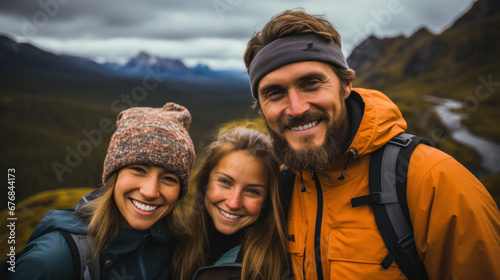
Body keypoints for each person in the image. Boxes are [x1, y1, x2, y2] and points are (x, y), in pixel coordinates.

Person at [243, 9, 500, 280]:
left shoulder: (436, 181)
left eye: (311, 83)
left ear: (345, 86)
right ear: (260, 107)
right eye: (275, 93)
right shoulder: (281, 186)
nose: (296, 109)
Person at [8, 102, 195, 279]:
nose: (150, 192)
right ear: (113, 175)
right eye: (139, 170)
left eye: (169, 178)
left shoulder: (174, 245)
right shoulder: (51, 263)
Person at [172, 126, 289, 280]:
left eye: (252, 191)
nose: (234, 203)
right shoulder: (174, 240)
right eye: (225, 182)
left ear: (267, 200)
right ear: (205, 180)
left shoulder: (266, 268)